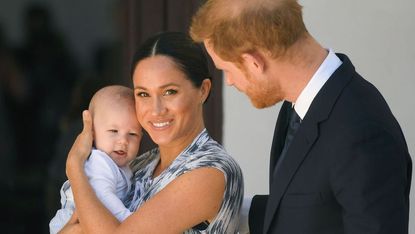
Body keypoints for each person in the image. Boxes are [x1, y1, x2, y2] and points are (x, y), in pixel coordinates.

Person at [190, 0, 412, 234]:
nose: (230, 81)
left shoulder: (363, 133)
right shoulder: (301, 103)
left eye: (226, 70)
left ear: (254, 62)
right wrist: (220, 206)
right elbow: (312, 209)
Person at [60, 31, 244, 233]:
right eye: (143, 94)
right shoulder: (140, 165)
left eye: (169, 92)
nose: (156, 110)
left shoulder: (210, 171)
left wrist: (75, 167)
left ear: (203, 90)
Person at [49, 85, 142, 233]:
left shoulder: (121, 165)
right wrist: (129, 222)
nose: (123, 141)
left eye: (132, 134)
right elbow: (104, 197)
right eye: (113, 131)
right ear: (92, 132)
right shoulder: (99, 162)